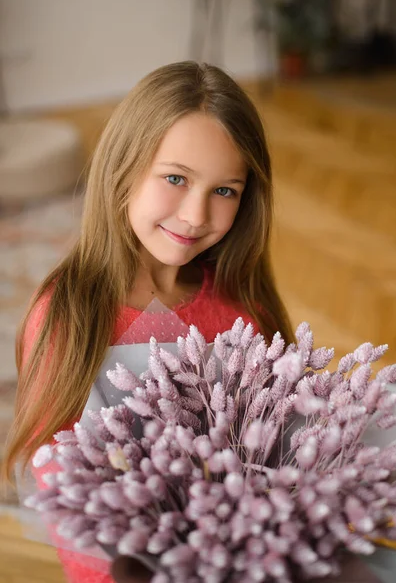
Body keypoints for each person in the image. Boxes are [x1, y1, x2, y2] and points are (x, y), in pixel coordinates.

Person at [2, 61, 294, 583]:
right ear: (124, 166)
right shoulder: (70, 315)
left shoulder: (244, 309)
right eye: (176, 179)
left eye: (224, 190)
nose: (195, 215)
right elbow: (61, 485)